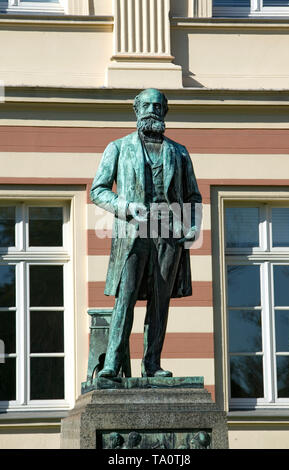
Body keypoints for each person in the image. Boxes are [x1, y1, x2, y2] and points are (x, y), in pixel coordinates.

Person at [90, 88, 202, 378]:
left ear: (164, 111)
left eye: (158, 105)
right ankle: (113, 364)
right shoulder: (118, 147)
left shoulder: (179, 152)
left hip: (168, 234)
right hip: (132, 233)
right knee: (124, 300)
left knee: (159, 302)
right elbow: (98, 191)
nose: (152, 109)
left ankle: (152, 364)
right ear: (136, 110)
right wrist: (125, 206)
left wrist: (192, 227)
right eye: (147, 105)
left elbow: (193, 196)